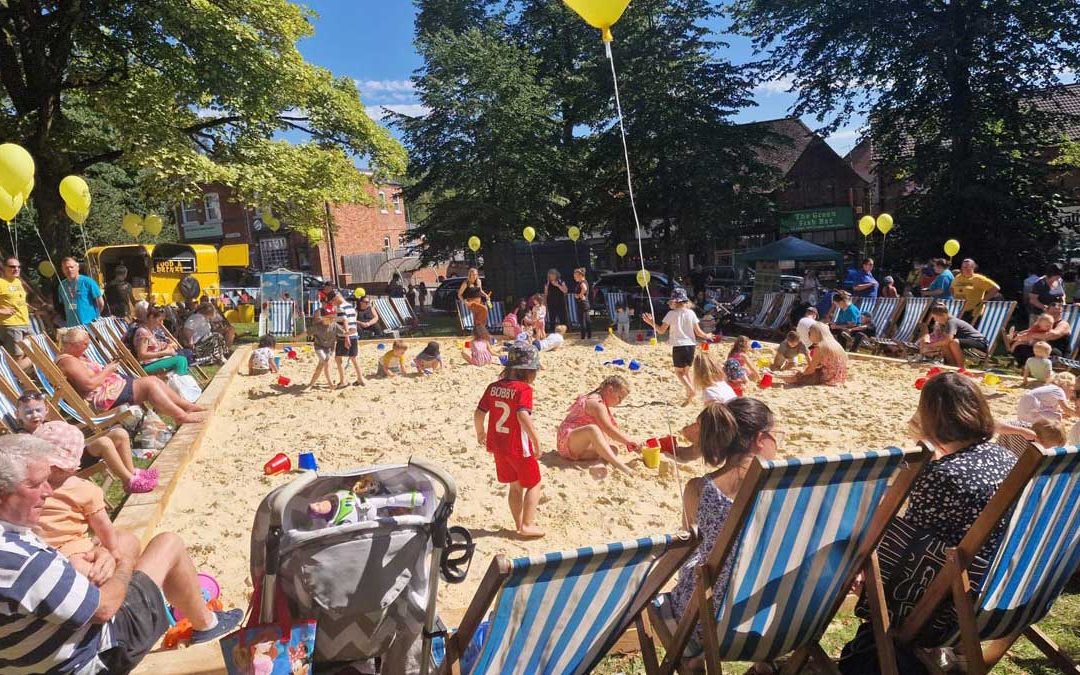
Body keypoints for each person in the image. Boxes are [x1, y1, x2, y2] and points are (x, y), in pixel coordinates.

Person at [0, 435, 242, 673]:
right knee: (168, 544)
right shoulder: (22, 562)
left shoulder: (11, 538)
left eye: (47, 481)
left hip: (27, 659)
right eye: (34, 485)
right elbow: (104, 609)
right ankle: (207, 624)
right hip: (94, 655)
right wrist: (124, 565)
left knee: (123, 541)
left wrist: (99, 555)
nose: (48, 492)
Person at [839, 373, 1017, 674]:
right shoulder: (1006, 459)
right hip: (995, 595)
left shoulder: (941, 475)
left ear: (931, 418)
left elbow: (905, 547)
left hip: (942, 609)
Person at [658, 399, 780, 666]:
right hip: (772, 619)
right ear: (760, 439)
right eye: (775, 434)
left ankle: (698, 662)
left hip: (707, 625)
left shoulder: (699, 490)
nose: (777, 442)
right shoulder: (786, 492)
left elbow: (688, 550)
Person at [34, 421, 148, 559]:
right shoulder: (26, 486)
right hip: (44, 548)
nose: (55, 469)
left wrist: (112, 550)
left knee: (128, 540)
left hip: (69, 546)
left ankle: (132, 476)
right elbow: (102, 526)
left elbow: (102, 525)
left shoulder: (85, 491)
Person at [56, 328, 208, 424]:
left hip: (113, 389)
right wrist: (107, 370)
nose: (87, 347)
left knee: (153, 380)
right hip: (105, 398)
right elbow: (88, 385)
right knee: (150, 385)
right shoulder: (68, 361)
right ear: (72, 345)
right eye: (84, 344)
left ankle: (186, 407)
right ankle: (180, 416)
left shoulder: (75, 357)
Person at [16, 394, 155, 493]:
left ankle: (132, 475)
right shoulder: (23, 437)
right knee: (104, 443)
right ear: (18, 415)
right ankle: (129, 480)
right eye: (28, 412)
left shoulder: (50, 426)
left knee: (119, 433)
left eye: (38, 410)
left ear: (46, 410)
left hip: (76, 454)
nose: (34, 415)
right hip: (63, 468)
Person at [474, 343, 544, 538]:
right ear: (528, 371)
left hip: (498, 445)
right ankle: (528, 524)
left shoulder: (493, 387)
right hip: (518, 447)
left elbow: (479, 413)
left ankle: (518, 523)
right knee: (533, 483)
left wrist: (480, 433)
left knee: (514, 486)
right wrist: (536, 441)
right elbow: (523, 415)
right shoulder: (523, 389)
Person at [555, 375, 640, 476]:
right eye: (619, 398)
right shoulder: (596, 403)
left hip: (581, 447)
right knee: (592, 429)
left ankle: (600, 464)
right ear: (610, 390)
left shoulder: (602, 403)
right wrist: (628, 441)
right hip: (568, 442)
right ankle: (619, 465)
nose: (619, 402)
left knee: (612, 447)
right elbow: (609, 429)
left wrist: (628, 442)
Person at [642, 288, 713, 403]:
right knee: (685, 372)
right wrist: (707, 336)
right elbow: (699, 332)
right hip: (691, 345)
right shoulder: (691, 313)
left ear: (675, 302)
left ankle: (691, 390)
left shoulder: (671, 314)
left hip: (679, 345)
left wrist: (650, 322)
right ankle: (690, 395)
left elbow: (660, 331)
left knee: (679, 373)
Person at [918, 302, 987, 367]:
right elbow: (943, 340)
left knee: (953, 342)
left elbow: (948, 340)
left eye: (936, 317)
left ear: (944, 315)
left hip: (980, 344)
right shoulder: (945, 324)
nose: (935, 320)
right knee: (945, 345)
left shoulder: (951, 322)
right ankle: (951, 366)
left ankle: (960, 367)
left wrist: (930, 345)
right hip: (967, 343)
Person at [781, 322, 848, 386]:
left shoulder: (820, 347)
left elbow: (811, 369)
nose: (808, 335)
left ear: (815, 334)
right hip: (840, 378)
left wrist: (801, 374)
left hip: (827, 378)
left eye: (810, 333)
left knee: (796, 377)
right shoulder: (836, 345)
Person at [1007, 299, 1071, 366]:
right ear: (1047, 311)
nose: (1055, 315)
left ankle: (1034, 368)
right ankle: (1028, 368)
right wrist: (1016, 336)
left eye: (1058, 313)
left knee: (1039, 348)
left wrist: (1030, 336)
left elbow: (1051, 335)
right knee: (1020, 347)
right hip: (1041, 347)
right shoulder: (1043, 322)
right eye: (1052, 312)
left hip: (1056, 352)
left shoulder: (1063, 324)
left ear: (1061, 312)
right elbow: (1029, 331)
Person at [134, 306, 193, 376]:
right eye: (160, 320)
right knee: (180, 360)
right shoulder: (143, 332)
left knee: (184, 358)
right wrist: (164, 353)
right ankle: (181, 383)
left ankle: (182, 383)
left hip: (155, 360)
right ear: (151, 317)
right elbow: (142, 355)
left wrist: (166, 347)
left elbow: (153, 349)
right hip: (147, 364)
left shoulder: (150, 331)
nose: (161, 323)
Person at [0, 255, 31, 370]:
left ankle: (20, 379)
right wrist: (2, 310)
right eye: (12, 266)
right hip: (11, 325)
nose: (16, 269)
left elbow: (17, 300)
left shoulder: (18, 282)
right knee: (17, 357)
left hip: (26, 323)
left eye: (18, 267)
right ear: (4, 267)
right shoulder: (1, 282)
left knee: (32, 351)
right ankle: (13, 380)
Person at [57, 257, 104, 326]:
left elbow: (100, 303)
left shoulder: (88, 282)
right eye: (66, 268)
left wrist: (95, 318)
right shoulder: (62, 285)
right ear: (63, 270)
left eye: (71, 267)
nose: (69, 270)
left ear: (77, 267)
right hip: (72, 326)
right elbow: (63, 305)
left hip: (90, 325)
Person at [332, 292, 365, 387]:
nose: (332, 302)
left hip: (345, 336)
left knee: (338, 358)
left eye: (332, 300)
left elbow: (345, 322)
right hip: (354, 334)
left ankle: (343, 381)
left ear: (337, 297)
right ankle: (360, 379)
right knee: (353, 358)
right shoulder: (350, 306)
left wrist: (346, 337)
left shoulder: (340, 308)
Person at [307, 308, 344, 389]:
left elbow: (344, 332)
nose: (332, 319)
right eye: (330, 318)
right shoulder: (318, 326)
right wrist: (296, 338)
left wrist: (350, 333)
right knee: (326, 362)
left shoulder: (334, 325)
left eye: (333, 318)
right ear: (323, 318)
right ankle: (330, 383)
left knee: (320, 366)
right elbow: (306, 332)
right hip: (319, 347)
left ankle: (311, 384)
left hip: (330, 349)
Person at [571, 267, 592, 340]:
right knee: (587, 320)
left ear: (580, 275)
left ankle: (583, 336)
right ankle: (589, 335)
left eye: (576, 276)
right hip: (584, 303)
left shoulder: (582, 282)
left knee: (582, 320)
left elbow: (584, 288)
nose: (574, 277)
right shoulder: (584, 282)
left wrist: (579, 295)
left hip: (582, 303)